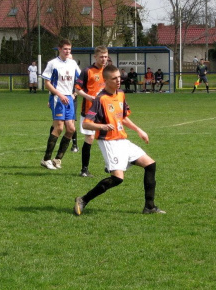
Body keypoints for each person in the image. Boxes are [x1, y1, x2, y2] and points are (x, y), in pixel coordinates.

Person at [73, 64, 165, 215]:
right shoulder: (100, 99)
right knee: (117, 179)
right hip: (109, 142)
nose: (118, 80)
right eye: (114, 78)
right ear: (105, 81)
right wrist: (102, 127)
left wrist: (139, 130)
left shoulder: (121, 94)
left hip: (122, 140)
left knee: (150, 165)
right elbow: (86, 123)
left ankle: (149, 206)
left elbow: (123, 118)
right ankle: (83, 199)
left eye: (119, 77)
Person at [40, 39, 81, 170]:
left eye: (69, 49)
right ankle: (46, 159)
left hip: (69, 98)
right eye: (65, 49)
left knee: (71, 129)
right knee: (58, 128)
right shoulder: (52, 64)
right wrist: (60, 95)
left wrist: (74, 93)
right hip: (58, 98)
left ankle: (57, 159)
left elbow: (80, 80)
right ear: (59, 49)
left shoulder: (73, 63)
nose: (67, 51)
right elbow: (47, 83)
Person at [74, 45, 109, 177]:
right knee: (89, 138)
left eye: (106, 57)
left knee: (107, 138)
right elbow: (77, 89)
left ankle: (109, 165)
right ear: (95, 57)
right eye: (101, 57)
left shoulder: (108, 71)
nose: (104, 59)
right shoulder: (87, 71)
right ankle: (84, 169)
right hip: (90, 111)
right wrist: (89, 97)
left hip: (105, 111)